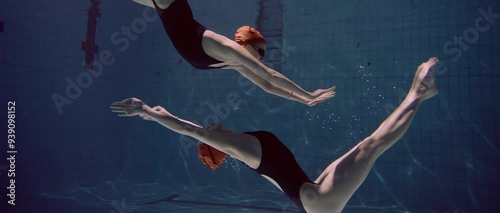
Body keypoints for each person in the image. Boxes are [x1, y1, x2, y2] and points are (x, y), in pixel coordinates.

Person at [0, 0, 335, 106]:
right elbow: (270, 75)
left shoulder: (234, 63)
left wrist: (302, 101)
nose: (257, 62)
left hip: (157, 4)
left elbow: (265, 84)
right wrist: (307, 93)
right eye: (258, 54)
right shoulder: (229, 51)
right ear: (250, 48)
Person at [110, 57, 439, 213]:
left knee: (367, 145)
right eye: (208, 138)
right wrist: (148, 111)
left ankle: (420, 94)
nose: (208, 129)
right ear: (215, 146)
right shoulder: (237, 148)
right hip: (316, 200)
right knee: (373, 145)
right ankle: (418, 93)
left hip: (313, 193)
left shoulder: (241, 141)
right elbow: (186, 127)